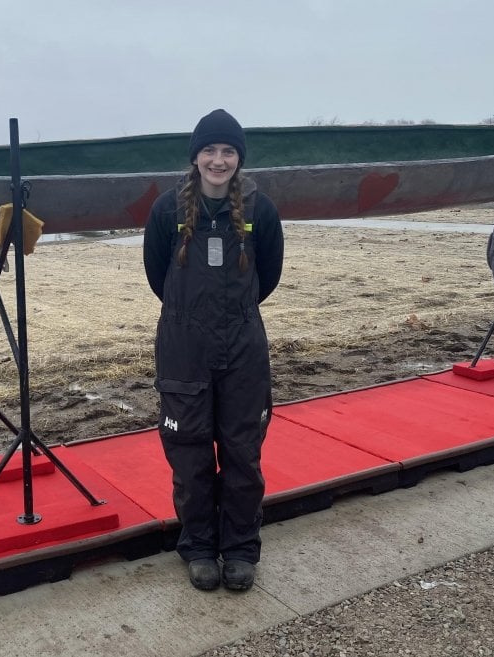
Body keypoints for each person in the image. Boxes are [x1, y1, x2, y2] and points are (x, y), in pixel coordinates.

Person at [143, 109, 284, 591]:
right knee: (190, 454)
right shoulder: (166, 210)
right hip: (184, 349)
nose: (218, 160)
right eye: (210, 150)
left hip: (244, 347)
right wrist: (193, 317)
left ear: (238, 158)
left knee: (243, 453)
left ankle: (241, 549)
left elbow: (270, 274)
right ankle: (200, 546)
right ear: (196, 156)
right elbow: (157, 274)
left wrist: (230, 316)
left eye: (228, 151)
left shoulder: (260, 210)